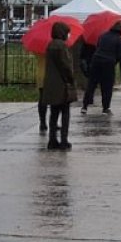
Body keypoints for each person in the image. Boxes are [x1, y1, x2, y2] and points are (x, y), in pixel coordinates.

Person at [43, 21, 78, 150]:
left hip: (51, 83)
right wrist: (71, 79)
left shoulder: (50, 45)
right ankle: (64, 140)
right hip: (62, 84)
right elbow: (66, 65)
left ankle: (52, 140)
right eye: (67, 33)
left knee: (54, 113)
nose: (68, 35)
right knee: (65, 113)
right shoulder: (62, 46)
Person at [81, 21, 121, 115]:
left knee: (91, 84)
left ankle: (84, 106)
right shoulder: (119, 39)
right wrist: (114, 61)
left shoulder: (103, 35)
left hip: (96, 61)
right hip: (108, 63)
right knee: (107, 86)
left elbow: (97, 46)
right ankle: (105, 108)